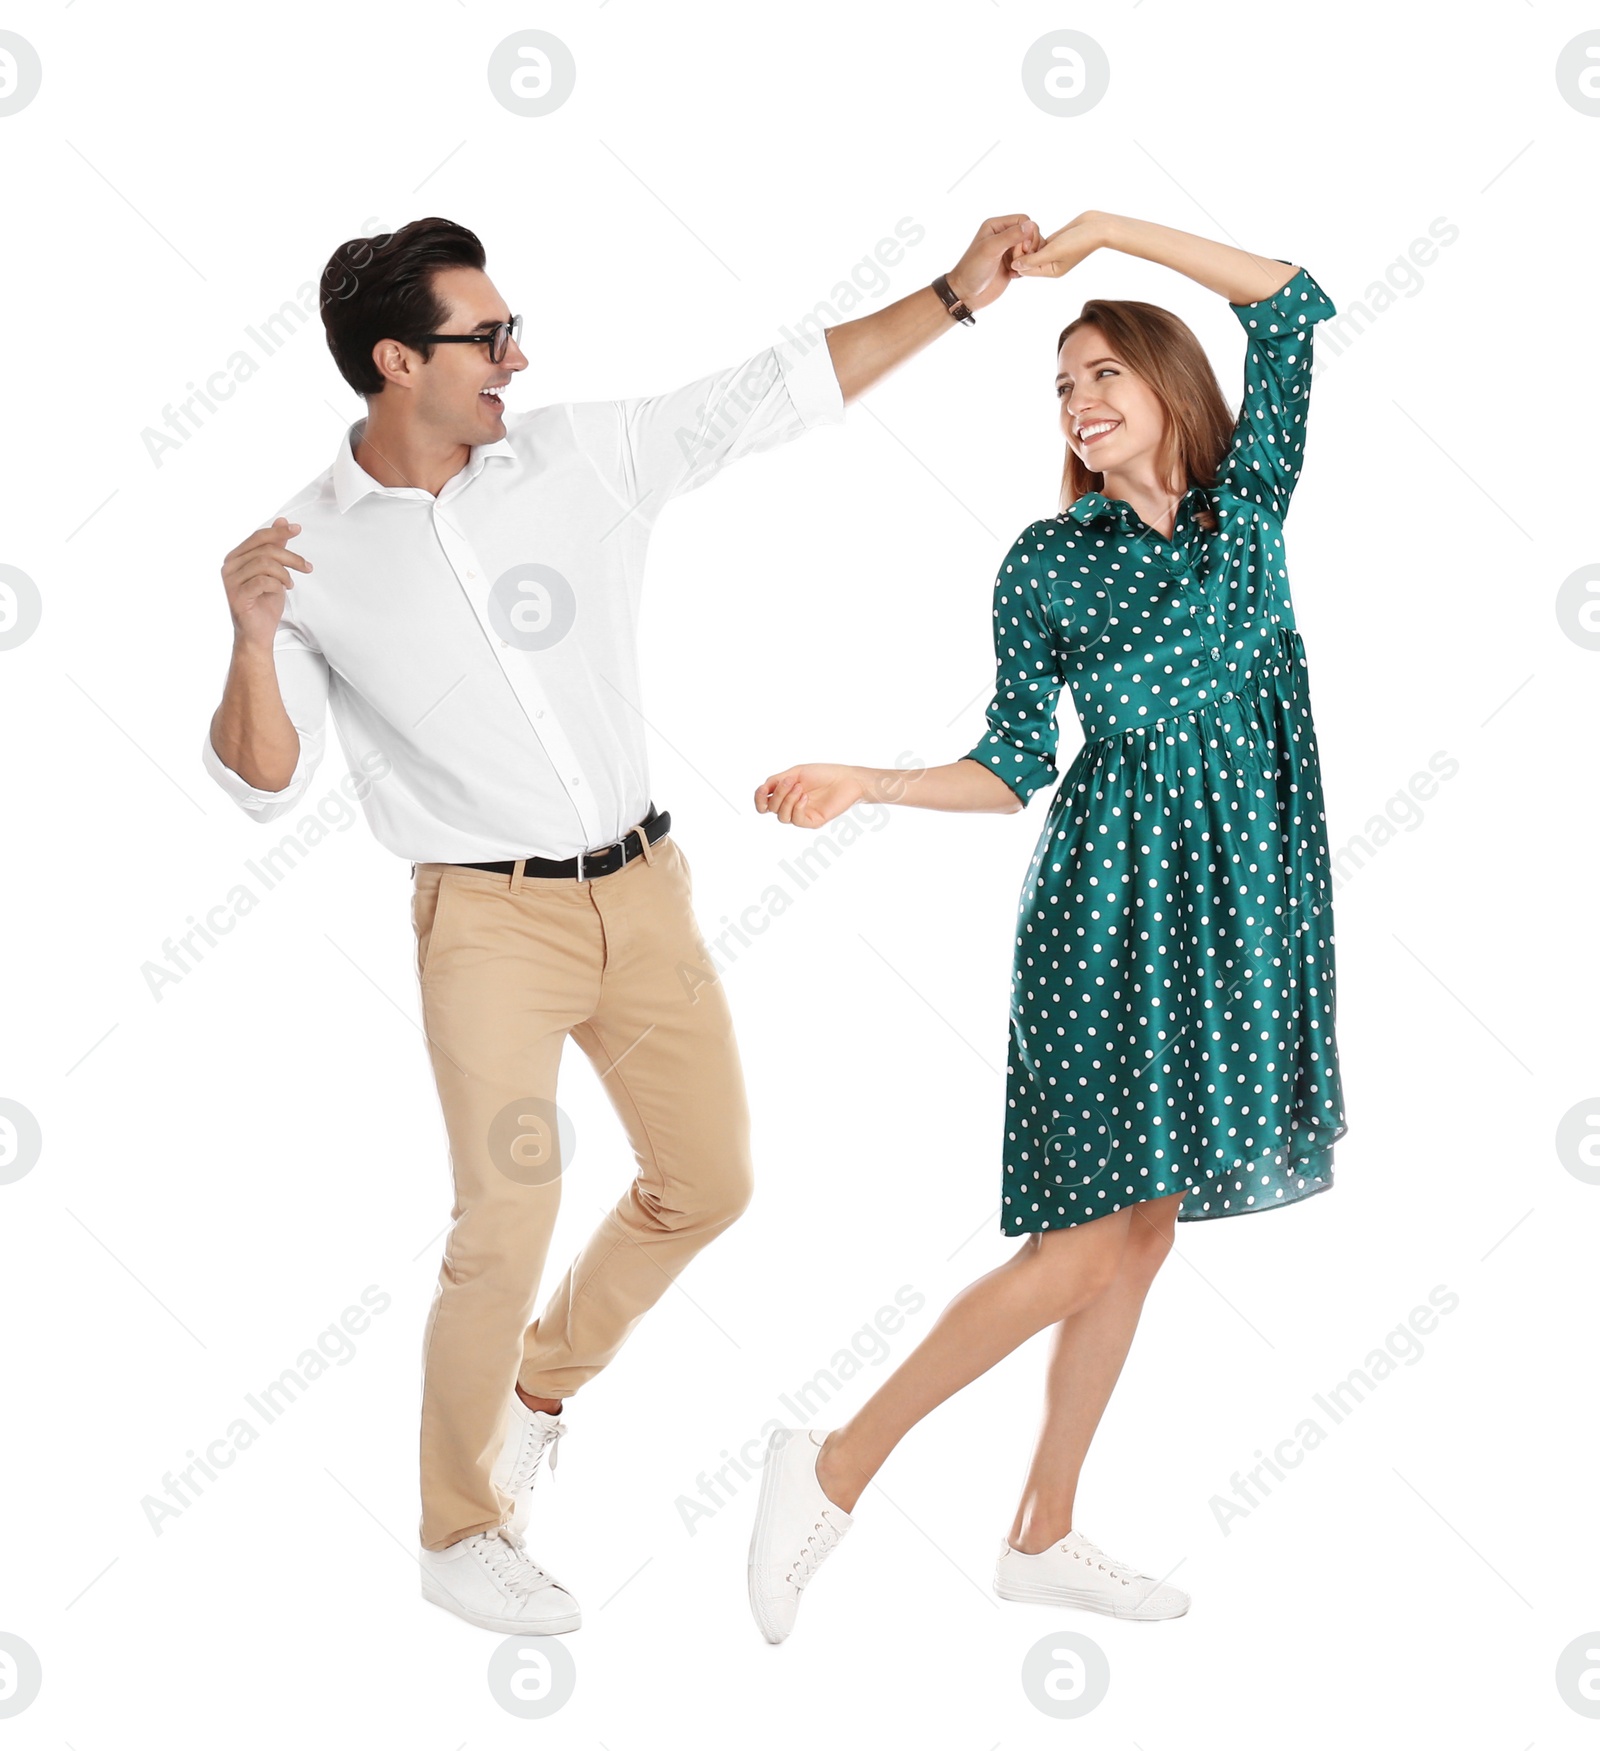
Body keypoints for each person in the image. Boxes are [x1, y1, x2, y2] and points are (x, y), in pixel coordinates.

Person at [201, 211, 1044, 1636]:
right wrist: (244, 635)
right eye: (488, 337)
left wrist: (958, 297)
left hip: (644, 893)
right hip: (486, 925)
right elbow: (261, 781)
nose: (516, 357)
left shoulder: (578, 457)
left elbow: (780, 388)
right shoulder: (304, 552)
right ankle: (456, 1530)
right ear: (396, 361)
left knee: (707, 1183)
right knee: (506, 1213)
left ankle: (539, 1391)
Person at [745, 210, 1349, 1643]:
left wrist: (1105, 238)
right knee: (1082, 1243)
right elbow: (1014, 764)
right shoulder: (1045, 562)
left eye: (1101, 377)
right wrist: (867, 778)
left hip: (1245, 905)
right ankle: (828, 1469)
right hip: (1108, 911)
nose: (1079, 405)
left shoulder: (1247, 509)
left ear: (1168, 390)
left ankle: (1044, 1530)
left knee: (1144, 1233)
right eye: (1063, 387)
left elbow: (1294, 301)